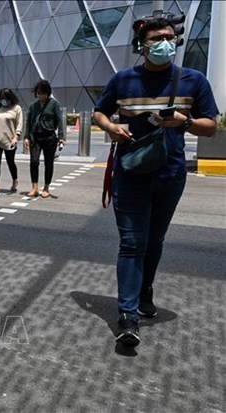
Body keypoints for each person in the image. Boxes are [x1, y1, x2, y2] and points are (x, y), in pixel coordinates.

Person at [94, 17, 219, 347]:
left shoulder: (193, 81)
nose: (166, 43)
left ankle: (145, 287)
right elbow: (99, 111)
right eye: (157, 38)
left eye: (170, 37)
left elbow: (211, 127)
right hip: (131, 172)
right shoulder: (123, 80)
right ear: (142, 45)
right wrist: (110, 127)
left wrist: (185, 120)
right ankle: (128, 315)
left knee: (155, 240)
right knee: (132, 243)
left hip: (170, 173)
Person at [23, 79, 65, 198]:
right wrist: (26, 137)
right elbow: (29, 123)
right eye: (40, 93)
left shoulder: (54, 104)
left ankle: (46, 187)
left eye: (44, 93)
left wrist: (61, 137)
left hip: (50, 137)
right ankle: (34, 187)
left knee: (48, 163)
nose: (42, 95)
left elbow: (60, 120)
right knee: (34, 162)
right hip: (36, 137)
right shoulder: (33, 106)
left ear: (48, 93)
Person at [0, 88, 23, 197]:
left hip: (10, 140)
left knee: (10, 162)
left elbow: (19, 124)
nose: (4, 101)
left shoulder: (16, 109)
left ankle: (15, 180)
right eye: (2, 98)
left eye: (6, 98)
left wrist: (16, 137)